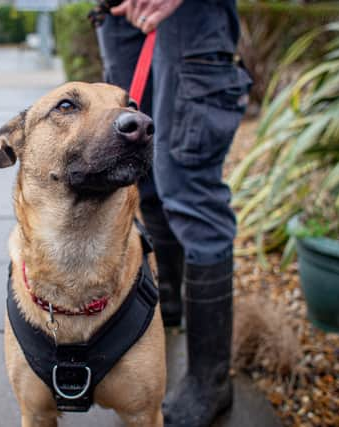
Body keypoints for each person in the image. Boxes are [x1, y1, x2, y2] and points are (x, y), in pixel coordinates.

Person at [96, 1, 252, 426]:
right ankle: (169, 308)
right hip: (118, 16)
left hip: (188, 17)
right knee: (139, 173)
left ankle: (210, 379)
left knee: (189, 190)